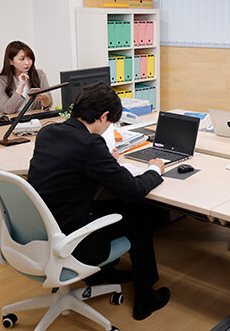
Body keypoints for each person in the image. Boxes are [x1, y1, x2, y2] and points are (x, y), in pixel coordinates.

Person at [27, 82, 170, 321]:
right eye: (110, 122)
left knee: (113, 207)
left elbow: (71, 169)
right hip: (72, 240)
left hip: (41, 228)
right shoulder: (90, 144)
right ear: (103, 116)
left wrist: (104, 160)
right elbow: (133, 190)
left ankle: (101, 275)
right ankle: (145, 299)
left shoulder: (48, 132)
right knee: (140, 215)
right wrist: (155, 170)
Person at [0, 40, 52, 115]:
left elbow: (48, 106)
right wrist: (21, 86)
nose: (27, 63)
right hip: (11, 120)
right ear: (11, 61)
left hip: (34, 119)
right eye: (22, 59)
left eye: (30, 58)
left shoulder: (39, 74)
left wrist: (45, 98)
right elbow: (7, 109)